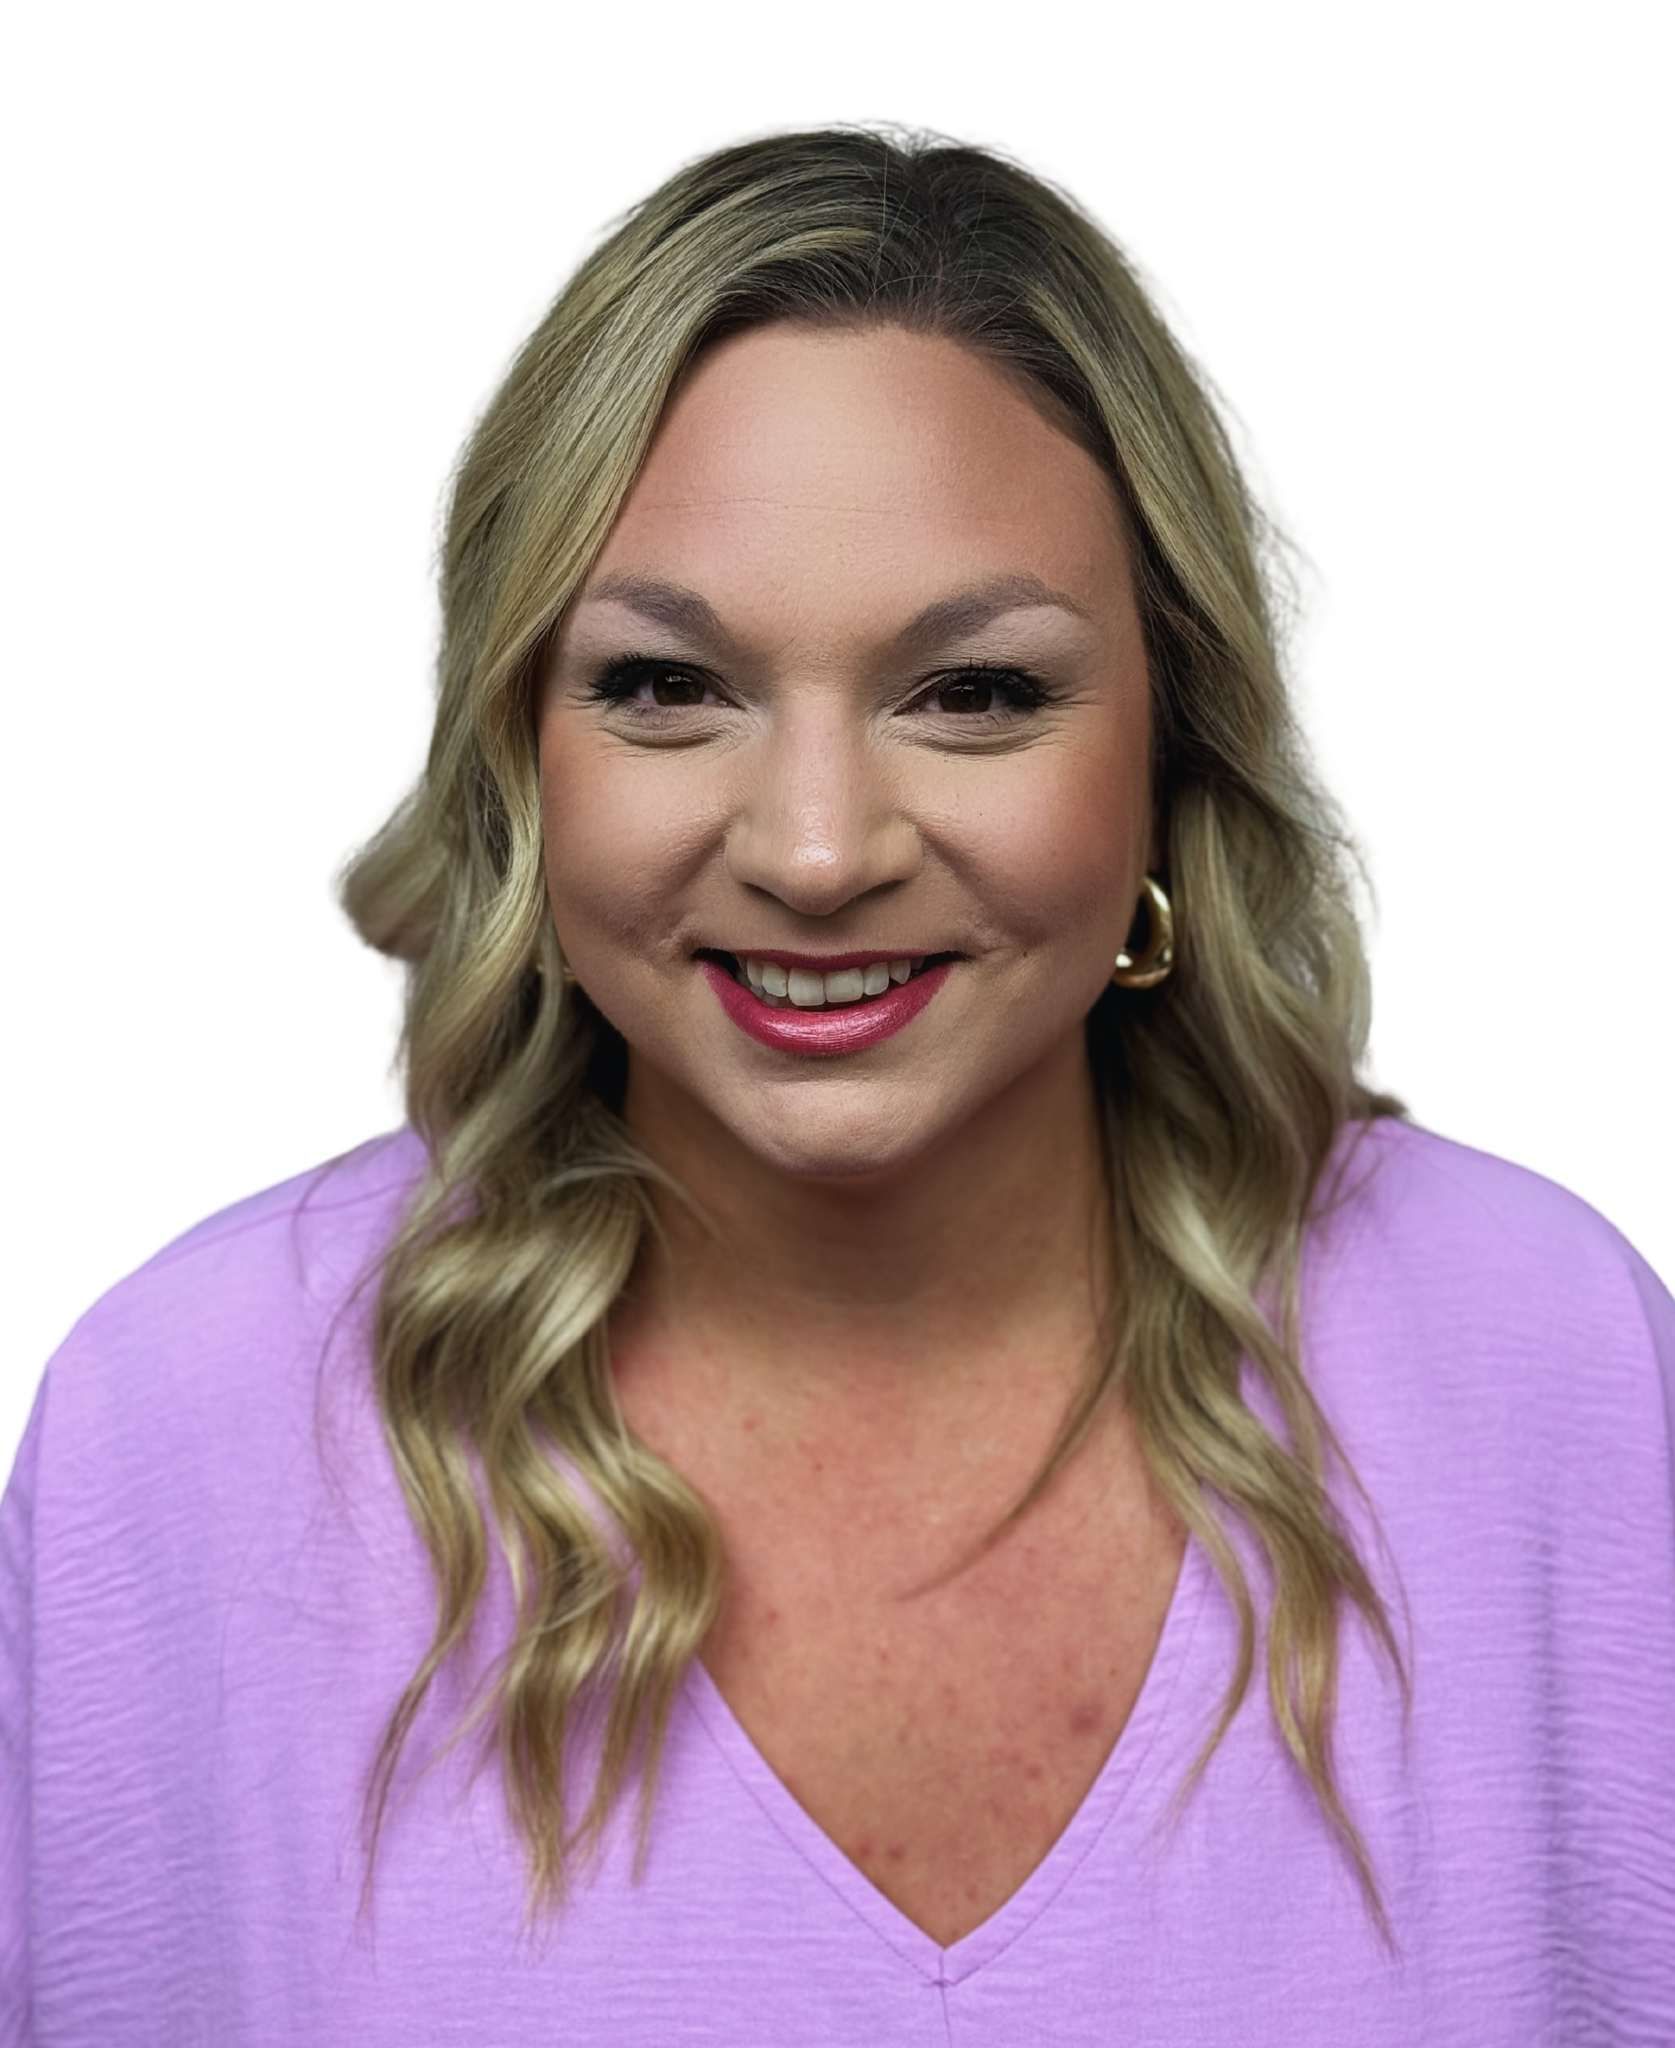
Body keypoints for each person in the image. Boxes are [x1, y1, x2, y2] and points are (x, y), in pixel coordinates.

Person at [3, 121, 1671, 2044]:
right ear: (517, 754)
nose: (812, 849)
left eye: (973, 694)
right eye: (661, 686)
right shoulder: (181, 1429)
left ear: (1172, 750)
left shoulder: (1558, 1374)